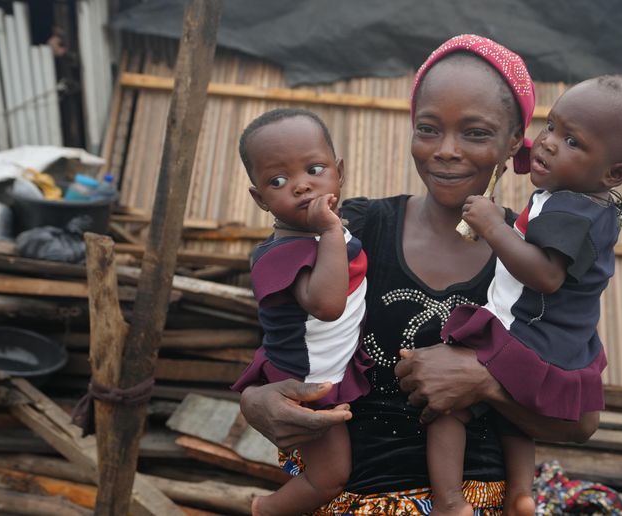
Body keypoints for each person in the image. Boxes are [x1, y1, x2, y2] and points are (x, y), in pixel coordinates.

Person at [239, 35, 600, 515]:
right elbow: (285, 344)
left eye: (475, 133)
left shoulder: (536, 258)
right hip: (344, 497)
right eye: (429, 129)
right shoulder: (354, 230)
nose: (446, 151)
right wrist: (256, 403)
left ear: (514, 141)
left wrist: (484, 383)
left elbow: (582, 421)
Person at [444, 74, 622, 511]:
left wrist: (492, 225)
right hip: (565, 338)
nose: (547, 143)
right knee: (514, 420)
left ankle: (450, 499)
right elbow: (544, 158)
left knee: (450, 402)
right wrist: (522, 149)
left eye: (571, 141)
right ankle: (522, 495)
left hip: (529, 333)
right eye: (551, 125)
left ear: (615, 172)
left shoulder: (569, 209)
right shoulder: (588, 196)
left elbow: (546, 275)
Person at [231, 108, 372, 515]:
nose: (301, 186)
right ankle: (266, 510)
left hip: (330, 367)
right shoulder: (279, 255)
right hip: (306, 381)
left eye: (314, 168)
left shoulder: (336, 228)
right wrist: (329, 231)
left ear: (339, 173)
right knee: (330, 476)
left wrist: (331, 230)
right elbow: (328, 305)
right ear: (260, 198)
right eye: (278, 181)